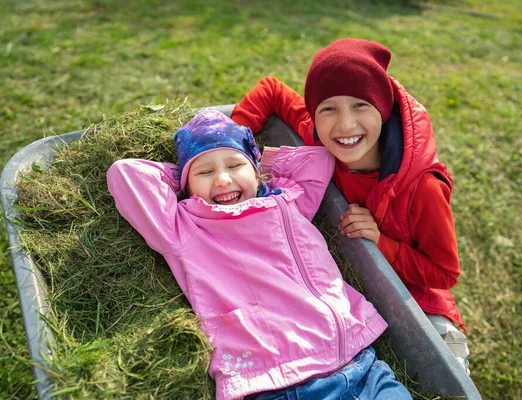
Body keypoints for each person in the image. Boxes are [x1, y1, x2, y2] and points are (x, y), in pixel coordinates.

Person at [106, 109, 412, 400]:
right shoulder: (185, 228)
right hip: (282, 381)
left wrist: (261, 171)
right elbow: (126, 175)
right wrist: (182, 176)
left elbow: (318, 159)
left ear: (255, 172)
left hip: (360, 362)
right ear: (187, 186)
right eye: (205, 171)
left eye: (234, 166)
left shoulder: (289, 201)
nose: (223, 179)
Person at [230, 38, 470, 373]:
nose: (344, 125)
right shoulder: (321, 136)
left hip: (416, 299)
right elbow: (270, 89)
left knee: (439, 369)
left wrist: (382, 243)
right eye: (329, 108)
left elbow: (444, 274)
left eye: (360, 106)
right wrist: (230, 147)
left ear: (382, 112)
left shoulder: (423, 186)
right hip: (354, 287)